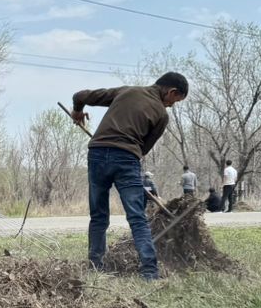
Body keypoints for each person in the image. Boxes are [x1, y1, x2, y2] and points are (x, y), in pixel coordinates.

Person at [71, 72, 190, 281]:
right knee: (137, 218)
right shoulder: (161, 115)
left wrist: (78, 112)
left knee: (98, 215)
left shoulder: (126, 91)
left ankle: (95, 266)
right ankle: (149, 272)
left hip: (97, 154)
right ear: (171, 92)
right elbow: (143, 149)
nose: (172, 105)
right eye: (175, 100)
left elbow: (80, 95)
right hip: (126, 158)